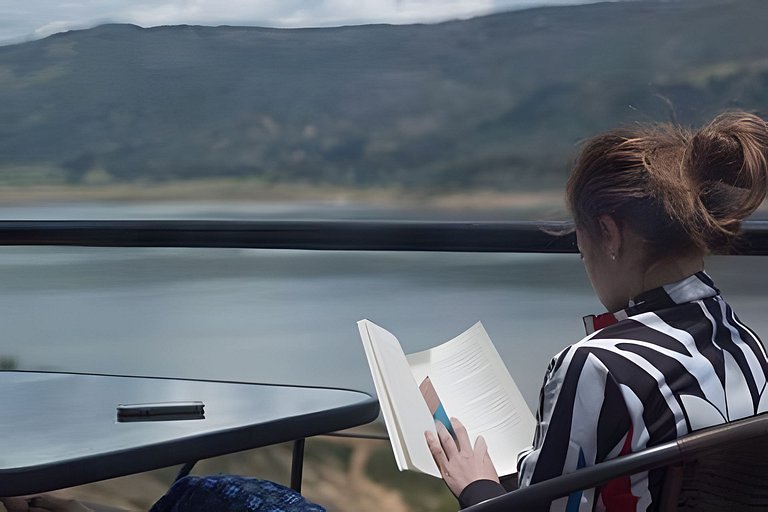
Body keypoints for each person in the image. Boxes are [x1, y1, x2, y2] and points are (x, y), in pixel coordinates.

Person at [425, 111, 768, 511]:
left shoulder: (598, 367)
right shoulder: (745, 346)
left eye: (579, 238)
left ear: (608, 232)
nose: (583, 255)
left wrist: (476, 488)